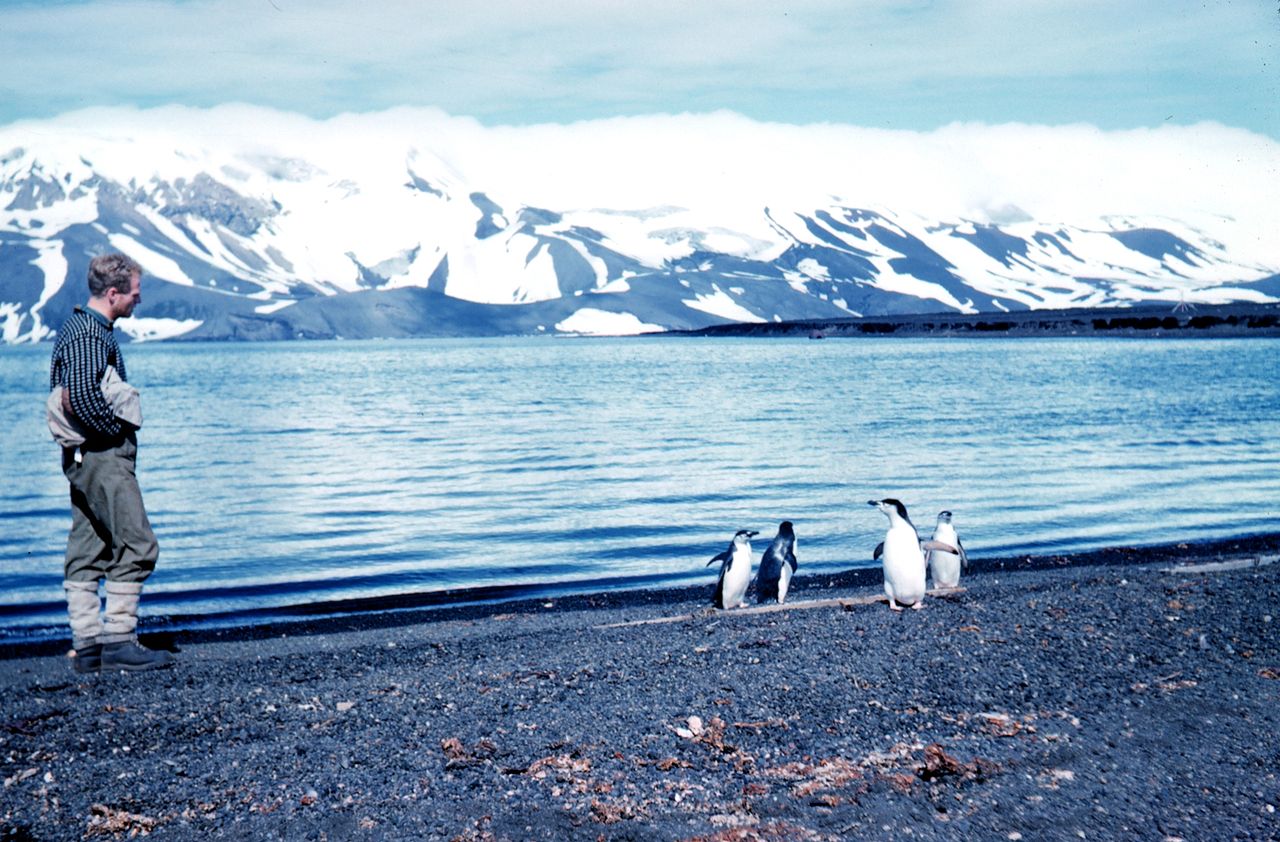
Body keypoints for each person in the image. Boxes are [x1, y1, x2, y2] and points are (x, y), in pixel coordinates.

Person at [49, 253, 174, 673]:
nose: (138, 301)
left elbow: (73, 395)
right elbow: (80, 396)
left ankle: (88, 646)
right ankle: (119, 640)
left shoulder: (83, 328)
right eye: (134, 294)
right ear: (114, 293)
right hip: (101, 456)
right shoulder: (89, 335)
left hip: (84, 457)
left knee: (88, 548)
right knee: (138, 544)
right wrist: (114, 433)